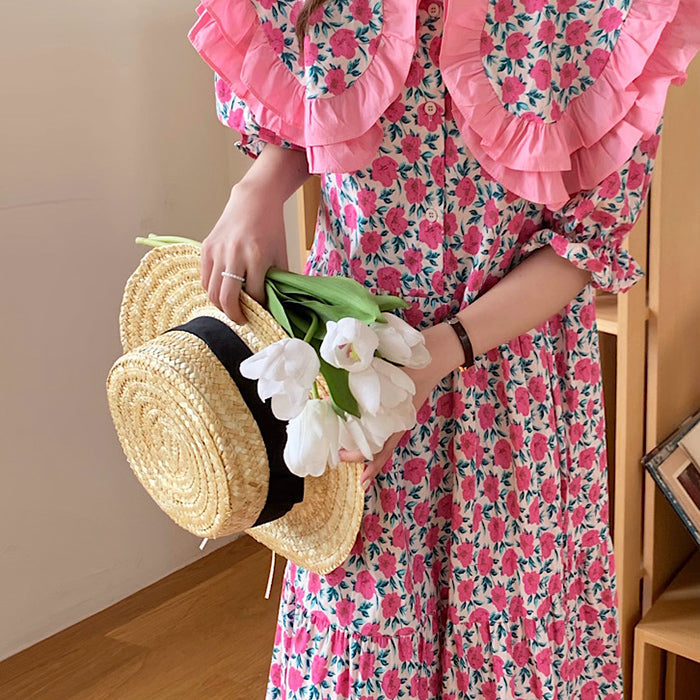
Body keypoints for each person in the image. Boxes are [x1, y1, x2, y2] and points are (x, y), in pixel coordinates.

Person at [188, 0, 700, 696]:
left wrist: (439, 352)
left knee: (515, 647)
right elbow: (311, 113)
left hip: (511, 390)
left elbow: (584, 245)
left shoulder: (603, 14)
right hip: (355, 371)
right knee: (356, 646)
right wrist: (256, 188)